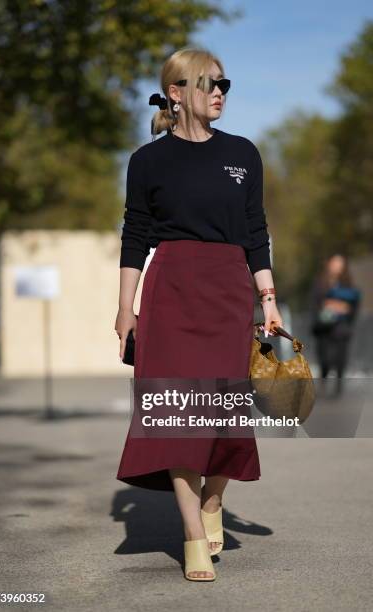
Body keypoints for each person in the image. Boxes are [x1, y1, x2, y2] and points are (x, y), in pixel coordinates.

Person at [114, 47, 283, 582]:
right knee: (179, 415)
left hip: (230, 292)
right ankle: (191, 533)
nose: (220, 93)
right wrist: (125, 307)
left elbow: (255, 232)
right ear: (177, 93)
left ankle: (213, 502)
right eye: (209, 83)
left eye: (225, 84)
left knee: (226, 411)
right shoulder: (148, 161)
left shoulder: (244, 154)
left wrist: (269, 300)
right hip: (171, 293)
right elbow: (135, 235)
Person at [310, 254, 361, 396]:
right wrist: (327, 306)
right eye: (335, 263)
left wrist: (344, 308)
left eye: (340, 264)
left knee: (340, 358)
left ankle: (338, 386)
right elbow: (315, 303)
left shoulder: (348, 285)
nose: (337, 267)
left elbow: (354, 305)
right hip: (324, 328)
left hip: (341, 328)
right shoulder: (320, 283)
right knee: (325, 358)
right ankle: (324, 380)